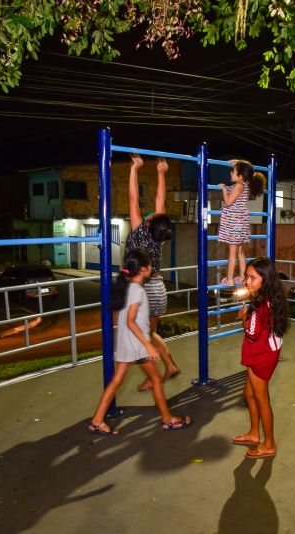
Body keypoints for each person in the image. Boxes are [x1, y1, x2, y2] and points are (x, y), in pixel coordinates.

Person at [88, 246, 191, 435]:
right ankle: (168, 419)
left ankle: (97, 421)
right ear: (143, 269)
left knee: (116, 381)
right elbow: (130, 321)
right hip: (137, 344)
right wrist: (148, 345)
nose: (152, 268)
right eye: (150, 265)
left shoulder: (127, 287)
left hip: (126, 343)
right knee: (155, 380)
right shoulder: (137, 290)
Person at [124, 154, 181, 392]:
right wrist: (160, 173)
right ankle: (170, 366)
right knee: (150, 333)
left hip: (143, 290)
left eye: (150, 217)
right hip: (158, 289)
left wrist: (134, 170)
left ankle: (153, 375)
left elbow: (133, 198)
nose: (148, 214)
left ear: (148, 223)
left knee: (140, 337)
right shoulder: (159, 237)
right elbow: (160, 202)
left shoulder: (139, 231)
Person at [231, 256, 290, 459]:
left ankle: (269, 443)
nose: (247, 281)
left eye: (252, 278)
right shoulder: (267, 298)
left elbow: (251, 333)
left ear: (264, 280)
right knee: (249, 394)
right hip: (263, 352)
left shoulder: (260, 305)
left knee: (262, 399)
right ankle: (255, 434)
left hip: (261, 357)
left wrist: (244, 318)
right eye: (247, 277)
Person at [218, 161, 265, 286]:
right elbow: (249, 169)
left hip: (234, 225)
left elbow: (228, 202)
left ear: (240, 176)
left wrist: (223, 189)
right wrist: (236, 162)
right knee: (240, 252)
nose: (231, 172)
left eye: (233, 171)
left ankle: (229, 280)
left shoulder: (238, 185)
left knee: (232, 253)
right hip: (241, 224)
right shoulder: (246, 184)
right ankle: (242, 277)